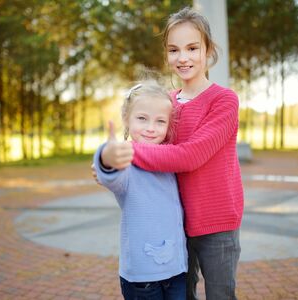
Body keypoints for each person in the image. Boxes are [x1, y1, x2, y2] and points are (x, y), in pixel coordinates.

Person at [100, 7, 243, 300]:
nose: (183, 57)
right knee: (183, 295)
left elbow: (189, 156)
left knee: (220, 295)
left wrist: (127, 151)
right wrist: (111, 162)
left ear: (208, 50)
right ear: (166, 55)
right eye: (174, 50)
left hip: (217, 221)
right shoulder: (166, 103)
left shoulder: (224, 101)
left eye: (192, 48)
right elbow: (148, 143)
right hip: (176, 223)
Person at [93, 79, 188, 300]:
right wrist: (107, 157)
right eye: (142, 118)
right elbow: (112, 177)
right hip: (142, 278)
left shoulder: (170, 159)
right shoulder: (127, 161)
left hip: (177, 269)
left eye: (160, 121)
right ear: (126, 119)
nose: (151, 128)